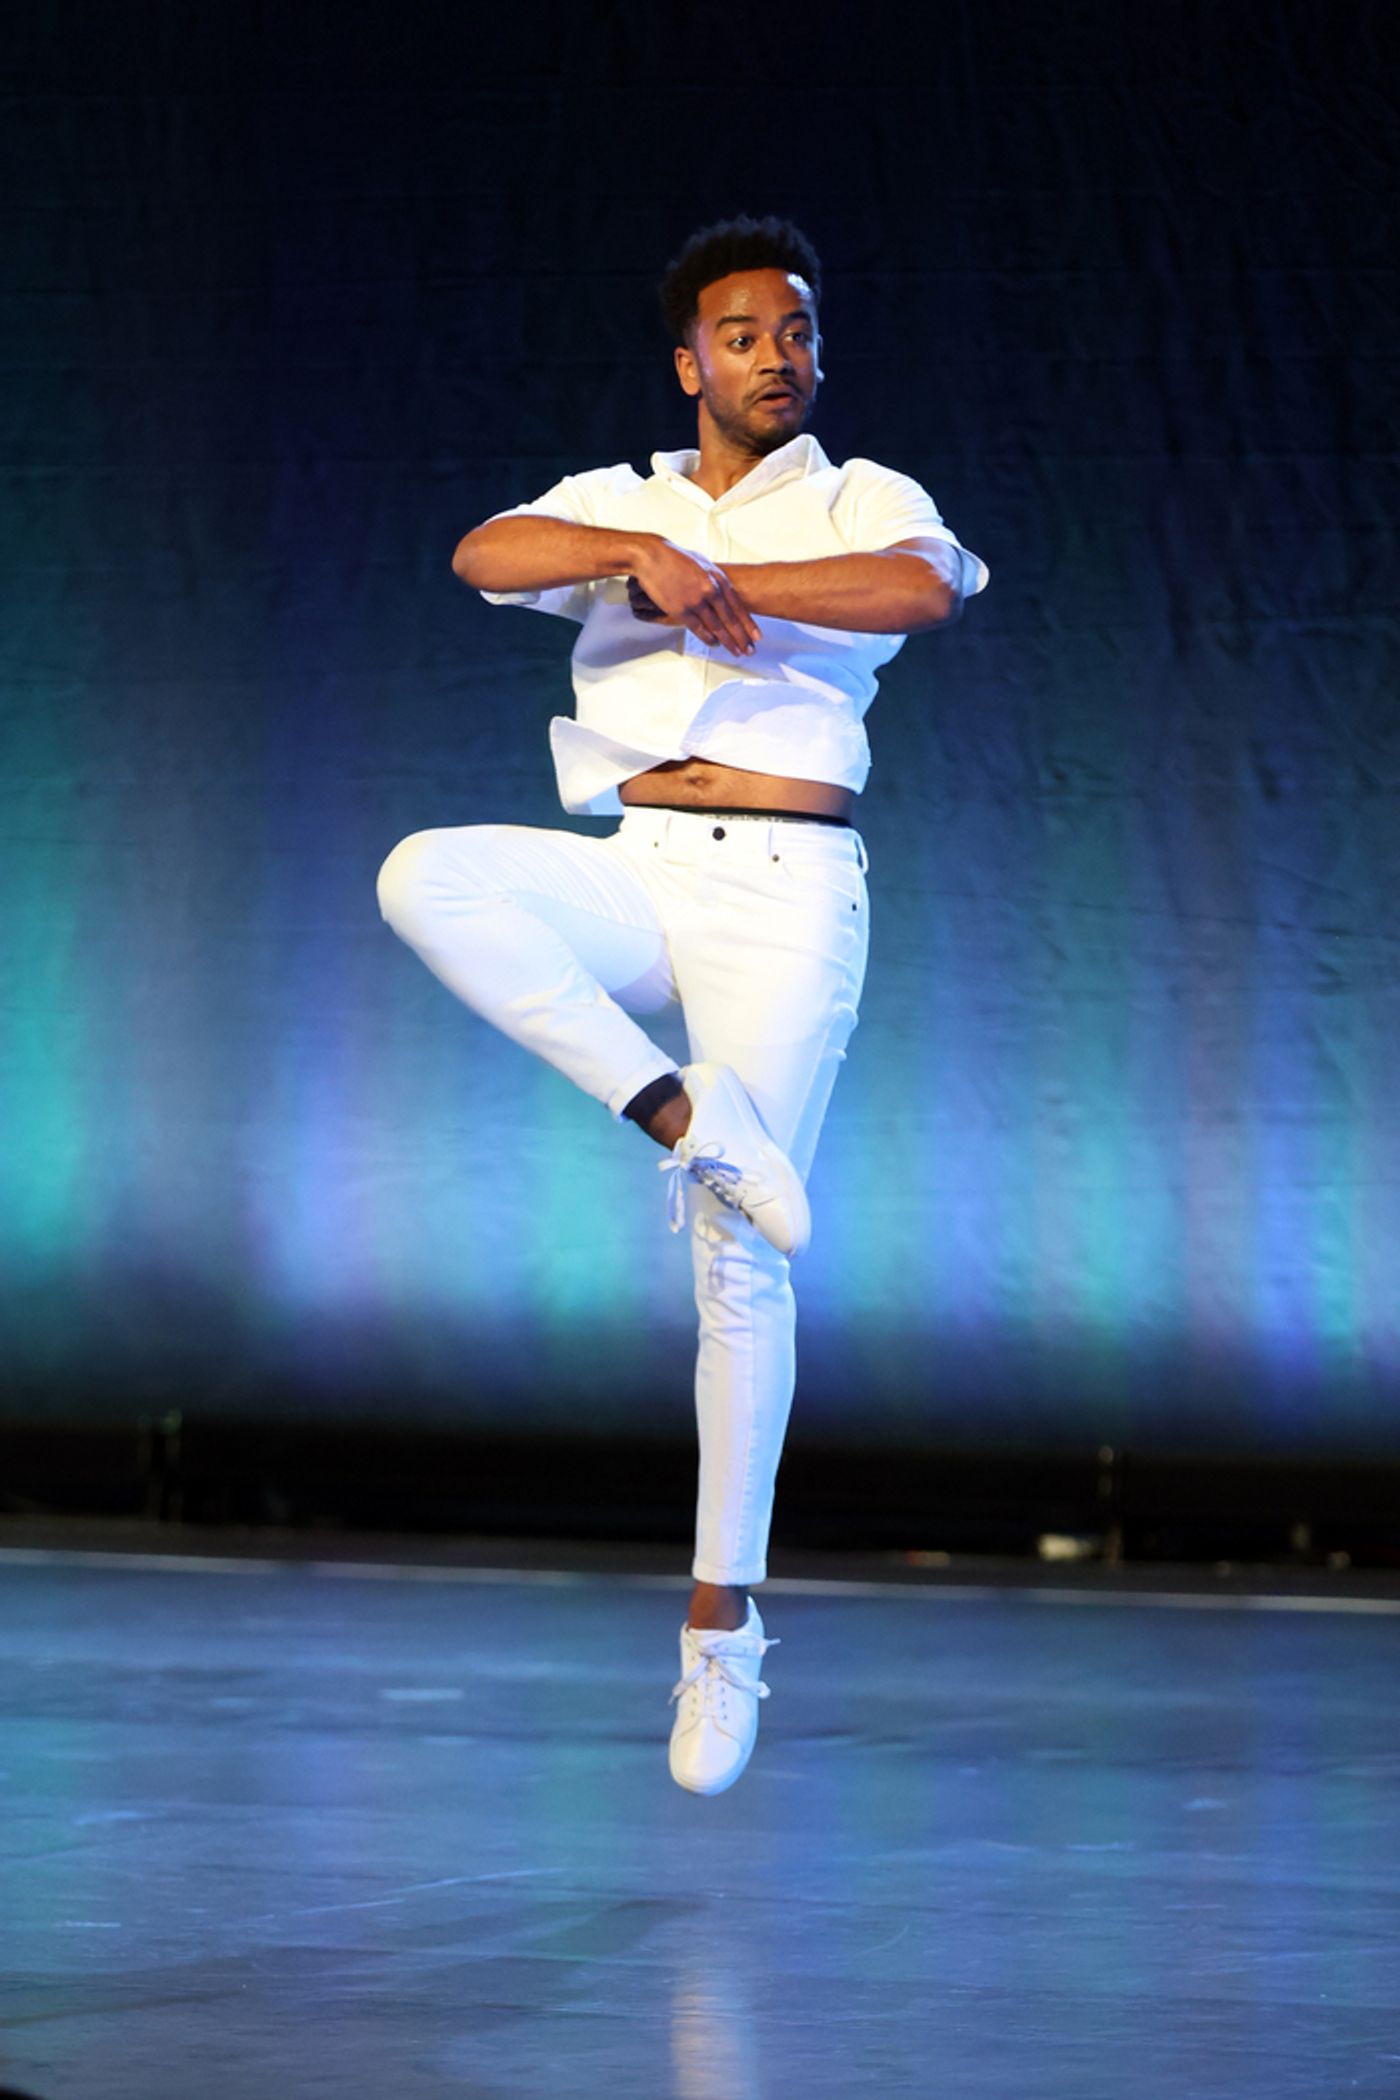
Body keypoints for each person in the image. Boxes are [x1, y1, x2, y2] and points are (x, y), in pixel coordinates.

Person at [376, 215, 987, 1795]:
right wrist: (633, 552)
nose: (777, 355)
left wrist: (719, 576)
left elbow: (921, 590)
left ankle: (722, 1635)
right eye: (743, 334)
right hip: (642, 859)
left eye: (798, 332)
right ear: (689, 359)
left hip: (786, 888)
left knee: (741, 1266)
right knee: (429, 874)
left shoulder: (864, 494)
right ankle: (674, 1105)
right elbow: (482, 554)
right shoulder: (618, 496)